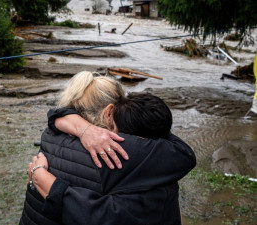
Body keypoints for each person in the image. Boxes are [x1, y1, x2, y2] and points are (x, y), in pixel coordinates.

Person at [19, 71, 196, 225]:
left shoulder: (51, 134)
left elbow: (55, 114)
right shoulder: (128, 153)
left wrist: (81, 128)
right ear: (110, 112)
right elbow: (183, 155)